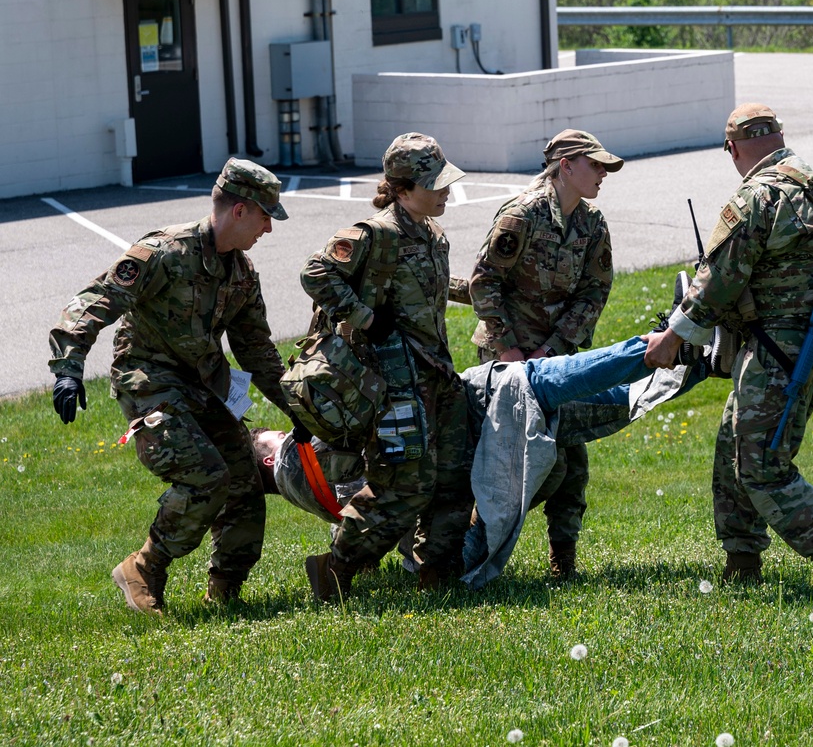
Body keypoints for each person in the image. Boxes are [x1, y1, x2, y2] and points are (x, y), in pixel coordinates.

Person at [642, 103, 813, 597]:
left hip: (774, 352)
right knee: (732, 452)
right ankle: (742, 565)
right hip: (810, 345)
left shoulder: (757, 196)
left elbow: (719, 278)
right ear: (780, 135)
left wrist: (673, 337)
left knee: (762, 468)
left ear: (733, 149)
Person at [251, 334, 709, 590]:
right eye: (267, 438)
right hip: (485, 410)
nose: (277, 429)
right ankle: (680, 348)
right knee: (593, 398)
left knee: (604, 405)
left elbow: (374, 499)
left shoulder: (313, 461)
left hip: (478, 414)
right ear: (269, 459)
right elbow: (372, 494)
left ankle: (692, 355)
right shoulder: (301, 456)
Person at [49, 158, 296, 613]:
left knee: (243, 480)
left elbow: (257, 352)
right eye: (265, 216)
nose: (269, 229)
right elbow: (96, 299)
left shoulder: (241, 273)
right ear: (239, 211)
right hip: (149, 379)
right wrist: (68, 366)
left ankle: (226, 591)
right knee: (205, 478)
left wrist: (302, 409)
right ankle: (143, 568)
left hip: (202, 384)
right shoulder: (165, 252)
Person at [299, 132, 472, 600]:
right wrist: (365, 319)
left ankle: (437, 572)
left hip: (438, 377)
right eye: (433, 183)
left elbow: (428, 287)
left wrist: (473, 291)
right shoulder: (375, 234)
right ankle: (337, 567)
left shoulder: (431, 231)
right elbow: (315, 273)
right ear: (400, 188)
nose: (445, 191)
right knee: (404, 488)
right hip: (396, 384)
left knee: (454, 479)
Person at [468, 128, 623, 579]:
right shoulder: (523, 214)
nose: (602, 175)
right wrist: (511, 349)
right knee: (512, 461)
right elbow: (484, 281)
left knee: (571, 461)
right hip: (508, 359)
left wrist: (552, 348)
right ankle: (472, 546)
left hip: (557, 359)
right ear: (567, 165)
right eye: (596, 165)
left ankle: (563, 561)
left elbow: (596, 291)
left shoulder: (592, 223)